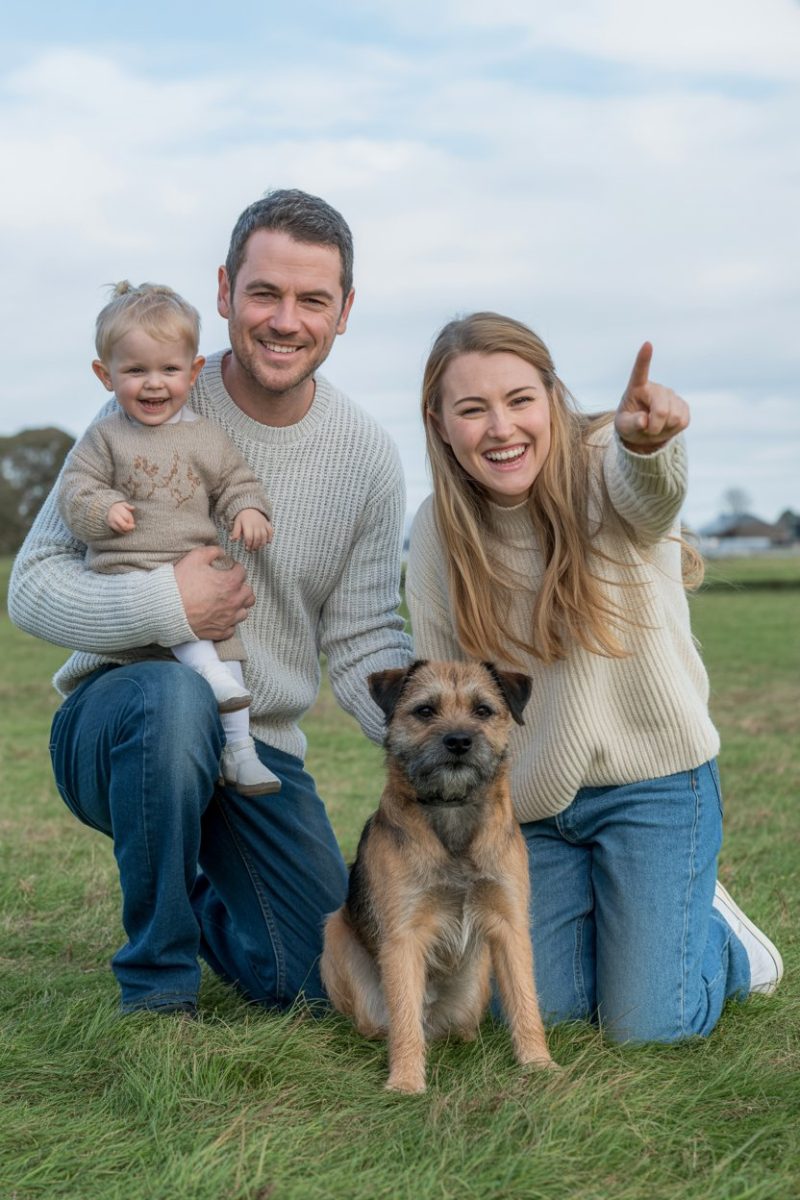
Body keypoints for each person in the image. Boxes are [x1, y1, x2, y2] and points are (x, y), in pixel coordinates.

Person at [9, 189, 412, 1016]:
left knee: (321, 984)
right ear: (226, 292)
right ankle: (156, 985)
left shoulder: (367, 456)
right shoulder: (148, 402)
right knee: (172, 694)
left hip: (257, 753)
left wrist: (435, 744)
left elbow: (369, 633)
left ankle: (192, 884)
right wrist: (167, 605)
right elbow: (33, 583)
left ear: (345, 313)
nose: (285, 320)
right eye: (265, 293)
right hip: (122, 725)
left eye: (313, 300)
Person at [406, 310, 783, 1043]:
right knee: (527, 1005)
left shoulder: (607, 461)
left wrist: (651, 446)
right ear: (439, 422)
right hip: (538, 810)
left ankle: (727, 943)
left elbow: (650, 492)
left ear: (551, 397)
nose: (500, 427)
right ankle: (631, 918)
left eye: (519, 399)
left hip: (655, 786)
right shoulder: (436, 529)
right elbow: (447, 693)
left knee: (649, 1028)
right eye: (473, 408)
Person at [58, 279, 280, 796]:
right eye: (135, 371)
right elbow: (74, 489)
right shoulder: (105, 435)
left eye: (168, 370)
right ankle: (209, 679)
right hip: (134, 570)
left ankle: (241, 755)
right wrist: (102, 506)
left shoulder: (205, 435)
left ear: (194, 370)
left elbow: (234, 481)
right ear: (104, 375)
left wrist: (247, 509)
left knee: (232, 665)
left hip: (199, 569)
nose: (153, 384)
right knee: (190, 629)